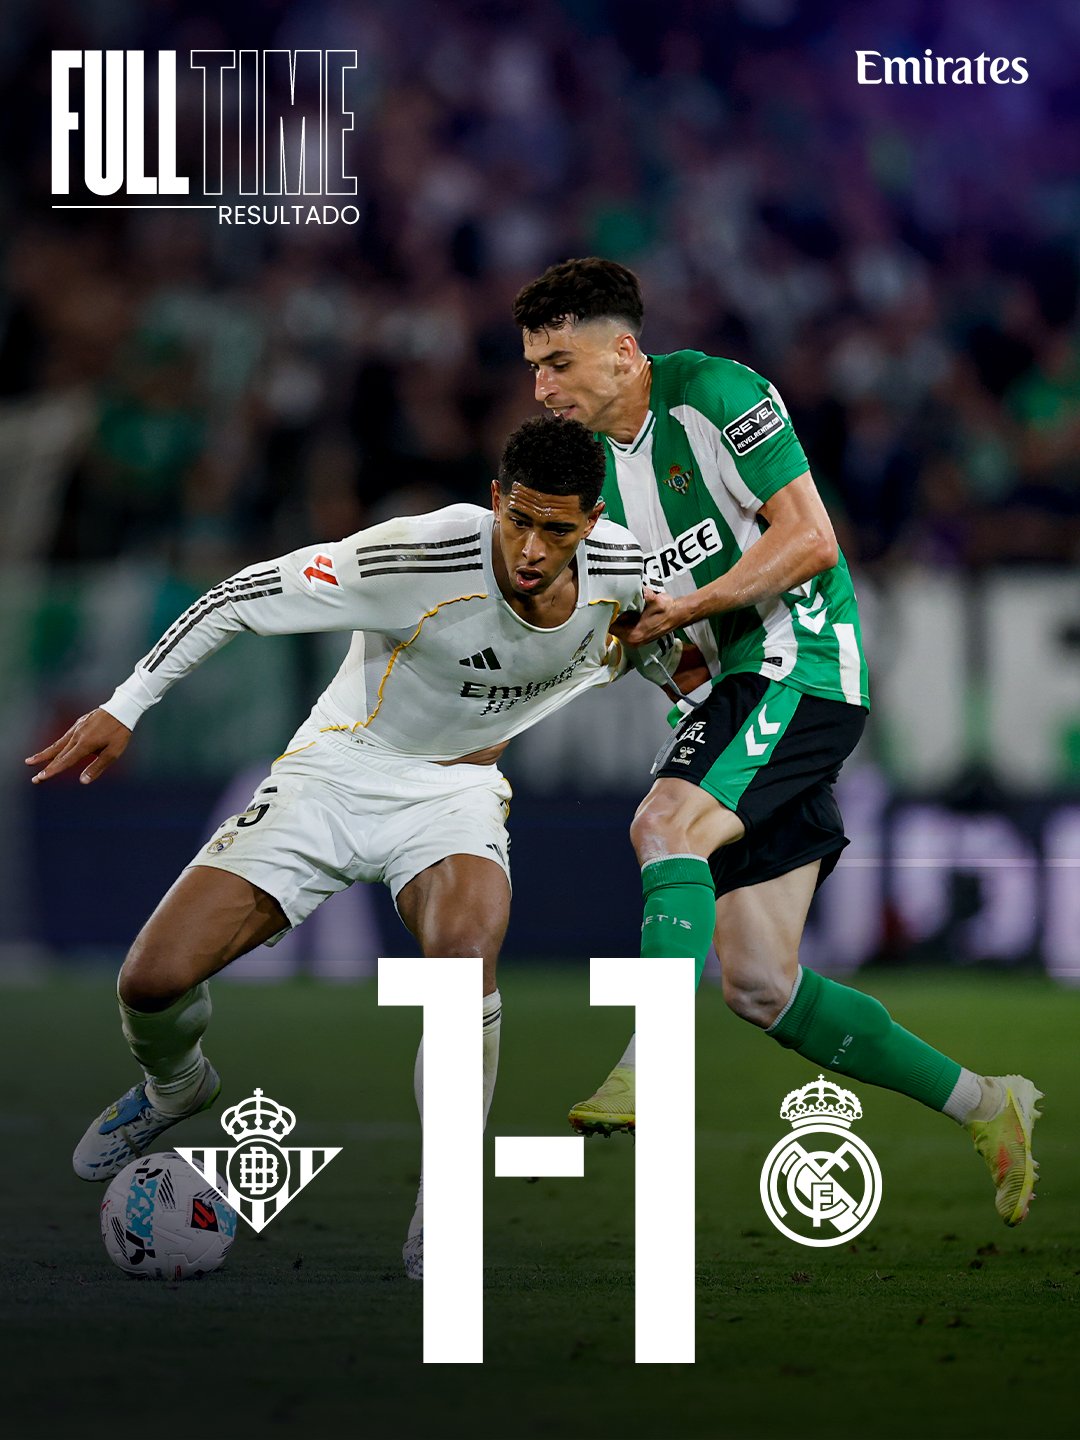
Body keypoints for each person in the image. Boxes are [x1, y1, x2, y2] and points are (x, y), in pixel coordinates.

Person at [25, 416, 687, 1276]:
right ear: (495, 499)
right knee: (150, 983)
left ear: (592, 523)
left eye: (556, 530)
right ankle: (176, 1087)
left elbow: (674, 656)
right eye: (518, 520)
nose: (531, 548)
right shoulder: (415, 558)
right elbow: (239, 596)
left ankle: (444, 1213)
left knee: (464, 963)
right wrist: (126, 705)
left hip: (454, 794)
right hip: (335, 772)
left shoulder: (627, 572)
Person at [512, 257, 1042, 1227]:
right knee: (759, 984)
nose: (541, 387)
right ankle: (986, 1103)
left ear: (623, 353)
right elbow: (636, 632)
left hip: (803, 664)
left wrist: (690, 609)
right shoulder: (589, 478)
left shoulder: (716, 395)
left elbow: (810, 540)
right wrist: (623, 644)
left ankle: (651, 1064)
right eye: (533, 368)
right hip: (729, 694)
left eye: (557, 363)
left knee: (664, 825)